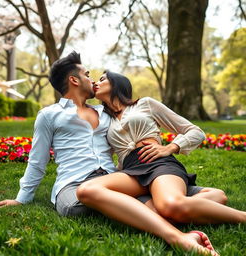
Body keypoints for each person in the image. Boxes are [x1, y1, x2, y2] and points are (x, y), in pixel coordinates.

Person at [0, 51, 221, 255]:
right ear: (74, 80)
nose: (92, 79)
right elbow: (37, 160)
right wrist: (22, 198)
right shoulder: (49, 115)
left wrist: (163, 146)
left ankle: (177, 212)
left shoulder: (106, 114)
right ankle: (180, 231)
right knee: (96, 205)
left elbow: (131, 126)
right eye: (87, 74)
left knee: (180, 200)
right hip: (74, 185)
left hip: (115, 179)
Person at [76, 70, 246, 250]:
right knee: (88, 189)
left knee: (169, 206)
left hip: (158, 163)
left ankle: (242, 216)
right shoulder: (104, 119)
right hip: (130, 170)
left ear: (118, 84)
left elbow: (196, 132)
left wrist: (170, 147)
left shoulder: (145, 104)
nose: (97, 82)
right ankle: (207, 198)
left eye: (103, 79)